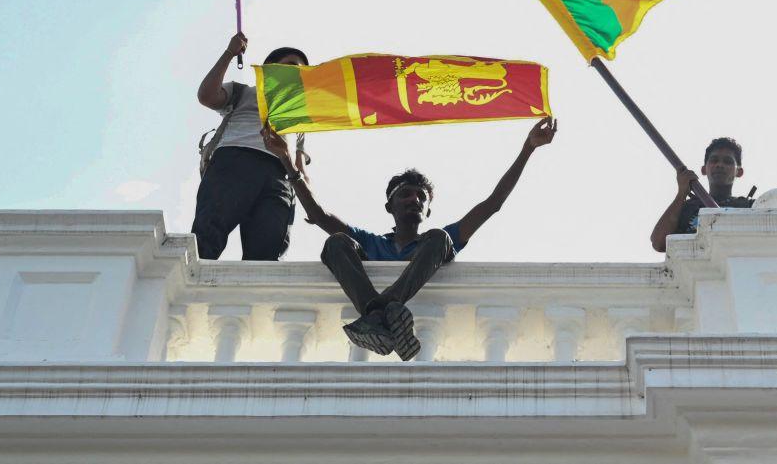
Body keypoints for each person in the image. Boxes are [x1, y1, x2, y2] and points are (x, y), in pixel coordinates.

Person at [262, 117, 558, 360]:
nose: (414, 199)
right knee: (336, 242)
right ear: (389, 206)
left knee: (441, 239)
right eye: (405, 194)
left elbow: (492, 203)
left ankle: (377, 316)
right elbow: (319, 215)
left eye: (421, 197)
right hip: (371, 266)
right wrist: (287, 161)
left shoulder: (434, 242)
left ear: (428, 209)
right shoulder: (371, 243)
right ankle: (383, 315)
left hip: (429, 256)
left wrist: (527, 149)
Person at [192, 32, 309, 261]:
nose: (298, 73)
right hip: (235, 161)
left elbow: (301, 168)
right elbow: (206, 96)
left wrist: (308, 199)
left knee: (268, 255)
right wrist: (229, 53)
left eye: (302, 70)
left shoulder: (302, 117)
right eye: (291, 66)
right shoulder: (243, 92)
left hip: (280, 177)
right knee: (206, 238)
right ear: (270, 69)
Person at [649, 137, 754, 252]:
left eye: (727, 161)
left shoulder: (749, 207)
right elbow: (659, 243)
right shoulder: (687, 208)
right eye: (714, 160)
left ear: (739, 171)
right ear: (704, 169)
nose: (720, 165)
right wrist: (681, 194)